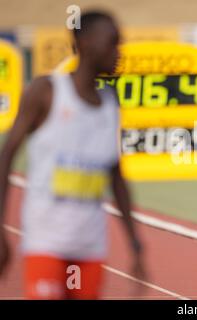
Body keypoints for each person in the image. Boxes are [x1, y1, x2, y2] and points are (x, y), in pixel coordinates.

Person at [0, 11, 146, 299]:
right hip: (46, 242)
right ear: (86, 42)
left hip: (90, 245)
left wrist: (135, 244)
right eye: (113, 43)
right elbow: (6, 157)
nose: (119, 52)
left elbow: (115, 176)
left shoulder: (110, 103)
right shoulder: (46, 92)